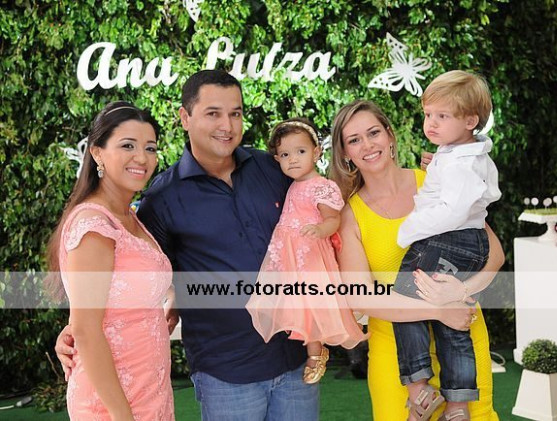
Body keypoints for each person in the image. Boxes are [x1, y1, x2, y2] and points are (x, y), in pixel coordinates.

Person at [55, 70, 475, 421]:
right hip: (224, 372)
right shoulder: (161, 198)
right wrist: (80, 329)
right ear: (185, 117)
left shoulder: (274, 169)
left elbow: (334, 198)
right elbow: (138, 272)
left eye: (235, 113)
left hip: (294, 361)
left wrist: (439, 174)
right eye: (213, 113)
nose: (227, 125)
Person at [330, 99, 505, 421]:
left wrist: (462, 293)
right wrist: (438, 309)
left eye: (373, 133)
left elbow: (493, 252)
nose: (367, 145)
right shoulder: (348, 215)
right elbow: (360, 295)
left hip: (462, 331)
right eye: (354, 140)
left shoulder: (434, 182)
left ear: (390, 135)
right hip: (397, 353)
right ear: (344, 153)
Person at [45, 101, 174, 420]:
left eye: (150, 148)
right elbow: (87, 330)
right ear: (97, 153)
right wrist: (121, 415)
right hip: (113, 405)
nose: (142, 157)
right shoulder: (94, 226)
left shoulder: (129, 217)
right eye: (127, 145)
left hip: (150, 390)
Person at [391, 70, 501, 421]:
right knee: (450, 318)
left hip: (447, 240)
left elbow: (452, 211)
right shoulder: (464, 155)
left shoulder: (458, 164)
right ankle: (458, 404)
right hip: (471, 241)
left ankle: (419, 386)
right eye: (428, 114)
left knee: (403, 300)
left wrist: (408, 230)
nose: (431, 123)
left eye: (443, 116)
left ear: (470, 121)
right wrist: (438, 164)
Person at [245, 117, 368, 385]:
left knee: (312, 304)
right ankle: (314, 349)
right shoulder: (292, 185)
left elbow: (333, 219)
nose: (293, 160)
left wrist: (321, 229)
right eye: (285, 155)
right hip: (288, 256)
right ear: (277, 159)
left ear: (316, 152)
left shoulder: (322, 186)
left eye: (300, 151)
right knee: (297, 306)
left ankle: (316, 353)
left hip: (310, 255)